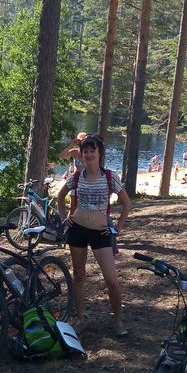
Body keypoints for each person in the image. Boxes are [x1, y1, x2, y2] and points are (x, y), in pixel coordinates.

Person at [56, 134, 131, 336]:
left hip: (101, 233)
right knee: (79, 275)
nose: (88, 154)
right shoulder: (77, 176)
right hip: (77, 231)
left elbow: (127, 204)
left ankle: (118, 320)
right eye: (85, 151)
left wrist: (118, 228)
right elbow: (60, 196)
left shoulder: (109, 176)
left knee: (112, 280)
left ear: (100, 153)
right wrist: (65, 219)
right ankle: (80, 318)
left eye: (92, 151)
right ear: (82, 154)